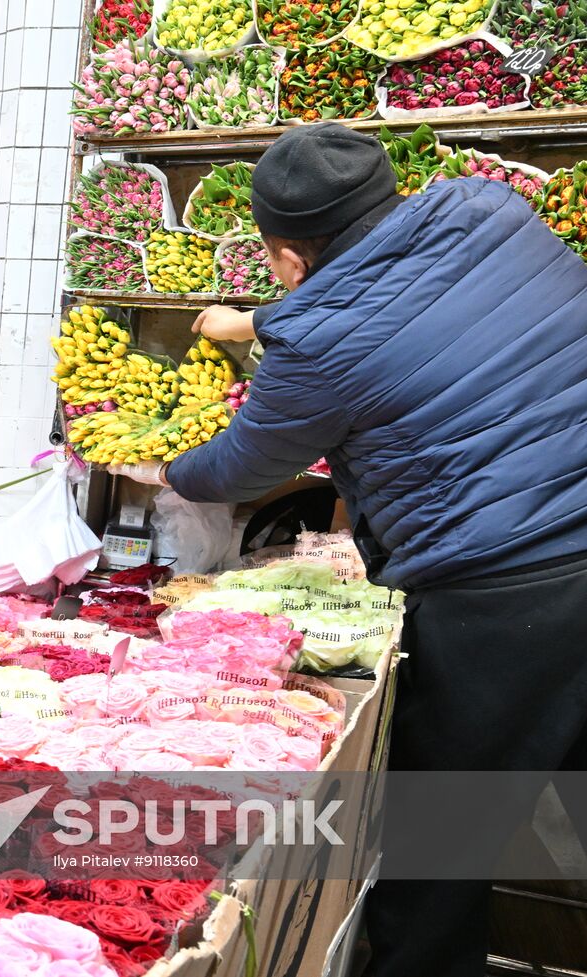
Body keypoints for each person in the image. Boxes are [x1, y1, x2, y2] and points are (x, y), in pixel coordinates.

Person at [123, 123, 587, 977]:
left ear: (292, 257)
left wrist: (162, 466)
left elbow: (242, 465)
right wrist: (257, 318)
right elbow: (400, 289)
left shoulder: (314, 342)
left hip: (506, 597)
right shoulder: (484, 205)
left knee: (438, 855)